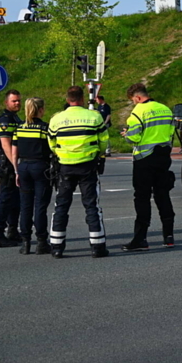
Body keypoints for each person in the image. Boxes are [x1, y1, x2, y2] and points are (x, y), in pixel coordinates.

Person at [48, 86, 110, 258]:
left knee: (61, 206)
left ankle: (57, 246)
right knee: (92, 205)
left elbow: (51, 142)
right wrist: (100, 154)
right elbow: (104, 140)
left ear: (68, 100)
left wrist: (60, 154)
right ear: (82, 99)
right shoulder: (94, 117)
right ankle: (97, 247)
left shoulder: (56, 119)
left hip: (65, 166)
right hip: (88, 166)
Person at [120, 83, 176, 251]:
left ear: (137, 97)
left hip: (144, 159)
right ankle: (168, 237)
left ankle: (140, 239)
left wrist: (126, 135)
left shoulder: (138, 112)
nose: (133, 104)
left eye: (133, 101)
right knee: (163, 195)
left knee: (142, 198)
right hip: (164, 157)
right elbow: (172, 132)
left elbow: (135, 136)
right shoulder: (165, 109)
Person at [10, 97, 53, 255]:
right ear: (41, 110)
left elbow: (15, 153)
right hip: (40, 167)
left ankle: (26, 242)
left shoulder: (20, 128)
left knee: (25, 206)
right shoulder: (44, 128)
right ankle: (41, 241)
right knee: (40, 205)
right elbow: (52, 148)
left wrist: (16, 171)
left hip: (23, 167)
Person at [0, 89, 23, 247]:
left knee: (15, 198)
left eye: (18, 100)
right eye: (14, 101)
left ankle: (12, 230)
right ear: (6, 102)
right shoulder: (5, 120)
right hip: (7, 163)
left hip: (13, 162)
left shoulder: (14, 118)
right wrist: (15, 166)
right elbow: (6, 145)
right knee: (5, 198)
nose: (17, 103)